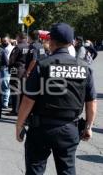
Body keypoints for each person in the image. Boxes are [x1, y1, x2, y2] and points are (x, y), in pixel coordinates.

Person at [16, 23, 97, 175]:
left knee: (35, 170)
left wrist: (19, 125)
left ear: (51, 42)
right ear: (72, 42)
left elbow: (28, 99)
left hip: (41, 129)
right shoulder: (84, 67)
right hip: (69, 129)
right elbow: (91, 101)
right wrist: (88, 127)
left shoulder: (43, 65)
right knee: (67, 171)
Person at [7, 32, 29, 116]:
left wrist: (9, 68)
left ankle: (15, 110)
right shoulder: (29, 46)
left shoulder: (18, 47)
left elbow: (12, 60)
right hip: (25, 69)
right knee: (23, 90)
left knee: (15, 89)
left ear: (19, 38)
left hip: (17, 69)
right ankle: (21, 109)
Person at [0, 34, 14, 110]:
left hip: (7, 68)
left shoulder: (10, 49)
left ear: (9, 40)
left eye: (5, 41)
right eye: (3, 41)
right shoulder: (4, 48)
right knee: (5, 85)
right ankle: (7, 101)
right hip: (4, 68)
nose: (3, 42)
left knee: (5, 86)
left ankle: (5, 103)